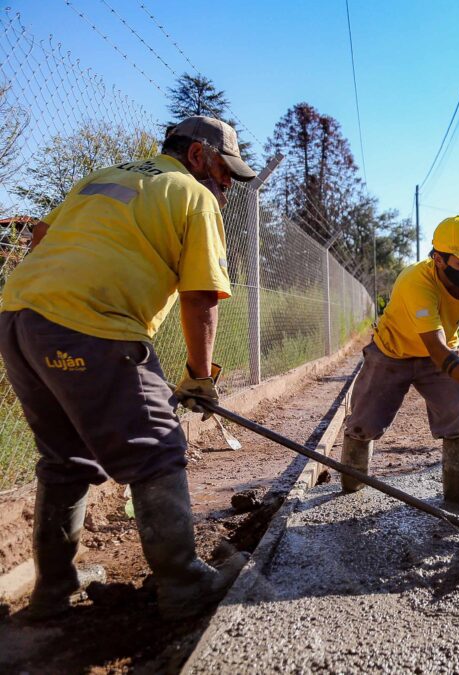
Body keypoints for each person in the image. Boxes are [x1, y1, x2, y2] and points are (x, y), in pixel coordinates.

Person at [0, 116, 255, 620]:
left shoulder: (101, 177)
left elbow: (40, 238)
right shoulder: (192, 194)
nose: (226, 185)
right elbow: (201, 295)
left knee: (65, 458)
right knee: (158, 448)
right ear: (199, 155)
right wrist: (200, 378)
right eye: (225, 171)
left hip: (18, 318)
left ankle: (55, 590)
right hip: (93, 324)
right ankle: (184, 584)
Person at [341, 215, 459, 504]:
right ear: (438, 258)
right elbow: (435, 348)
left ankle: (456, 504)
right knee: (363, 425)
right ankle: (349, 492)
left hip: (443, 353)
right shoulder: (415, 281)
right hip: (392, 353)